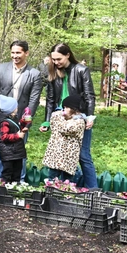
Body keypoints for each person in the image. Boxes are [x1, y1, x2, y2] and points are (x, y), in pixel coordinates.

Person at [40, 42, 97, 188]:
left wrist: (90, 116)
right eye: (53, 59)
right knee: (59, 154)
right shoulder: (53, 72)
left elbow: (89, 95)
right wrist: (47, 121)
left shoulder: (81, 70)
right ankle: (59, 188)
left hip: (78, 116)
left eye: (59, 59)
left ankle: (93, 190)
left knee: (83, 156)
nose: (56, 62)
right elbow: (50, 99)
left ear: (68, 55)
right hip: (60, 116)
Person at [0, 40, 42, 180]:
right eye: (13, 52)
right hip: (3, 117)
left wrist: (27, 121)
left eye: (18, 52)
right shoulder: (1, 68)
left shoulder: (34, 74)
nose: (15, 55)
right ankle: (0, 179)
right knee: (1, 149)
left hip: (21, 119)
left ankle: (19, 180)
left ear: (26, 53)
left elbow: (34, 99)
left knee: (20, 149)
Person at [42, 94, 86, 182]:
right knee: (52, 180)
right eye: (63, 107)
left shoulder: (79, 122)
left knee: (67, 182)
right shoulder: (59, 118)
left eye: (66, 107)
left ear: (74, 109)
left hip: (69, 158)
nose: (63, 110)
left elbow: (66, 128)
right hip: (56, 157)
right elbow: (54, 122)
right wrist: (59, 116)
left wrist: (59, 117)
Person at [0, 95, 30, 184]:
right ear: (11, 109)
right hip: (9, 154)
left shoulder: (13, 118)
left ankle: (15, 187)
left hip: (17, 152)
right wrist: (17, 136)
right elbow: (4, 137)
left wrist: (24, 121)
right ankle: (5, 189)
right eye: (16, 107)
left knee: (17, 172)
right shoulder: (4, 122)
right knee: (8, 172)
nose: (17, 108)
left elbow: (17, 126)